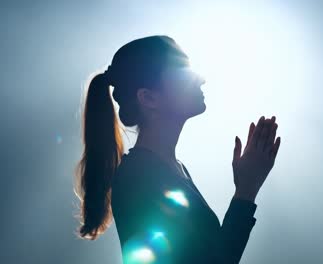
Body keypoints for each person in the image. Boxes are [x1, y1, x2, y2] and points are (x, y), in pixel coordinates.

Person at [73, 35, 281, 263]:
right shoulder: (139, 178)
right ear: (149, 98)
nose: (201, 78)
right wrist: (246, 190)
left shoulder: (168, 170)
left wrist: (246, 188)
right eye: (182, 71)